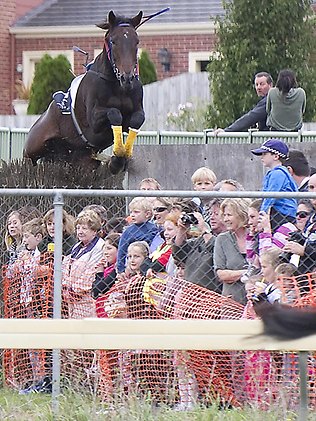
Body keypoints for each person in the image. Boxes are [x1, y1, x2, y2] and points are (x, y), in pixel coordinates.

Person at [251, 138, 297, 232]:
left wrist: (262, 216)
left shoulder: (278, 173)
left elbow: (270, 196)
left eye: (265, 154)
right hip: (281, 213)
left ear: (276, 156)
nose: (262, 157)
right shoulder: (276, 173)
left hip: (282, 214)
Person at [214, 198, 251, 304]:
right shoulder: (222, 239)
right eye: (224, 215)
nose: (225, 219)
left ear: (241, 214)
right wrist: (248, 273)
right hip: (231, 301)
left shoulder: (256, 236)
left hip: (257, 301)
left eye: (229, 215)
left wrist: (234, 275)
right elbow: (221, 274)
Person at [116, 197, 160, 273]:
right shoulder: (128, 231)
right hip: (130, 265)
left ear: (147, 214)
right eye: (131, 212)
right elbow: (122, 250)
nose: (132, 215)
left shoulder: (153, 229)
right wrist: (121, 269)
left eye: (136, 212)